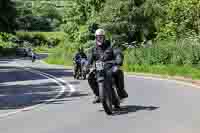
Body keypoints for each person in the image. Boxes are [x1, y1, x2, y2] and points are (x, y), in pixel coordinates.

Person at [87, 28, 128, 104]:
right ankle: (98, 94)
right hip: (99, 68)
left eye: (101, 37)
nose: (99, 39)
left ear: (104, 37)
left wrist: (118, 61)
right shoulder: (93, 49)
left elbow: (117, 52)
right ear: (95, 38)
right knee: (90, 77)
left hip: (110, 66)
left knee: (118, 72)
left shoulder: (110, 46)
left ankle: (121, 92)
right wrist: (86, 67)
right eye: (98, 37)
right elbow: (89, 59)